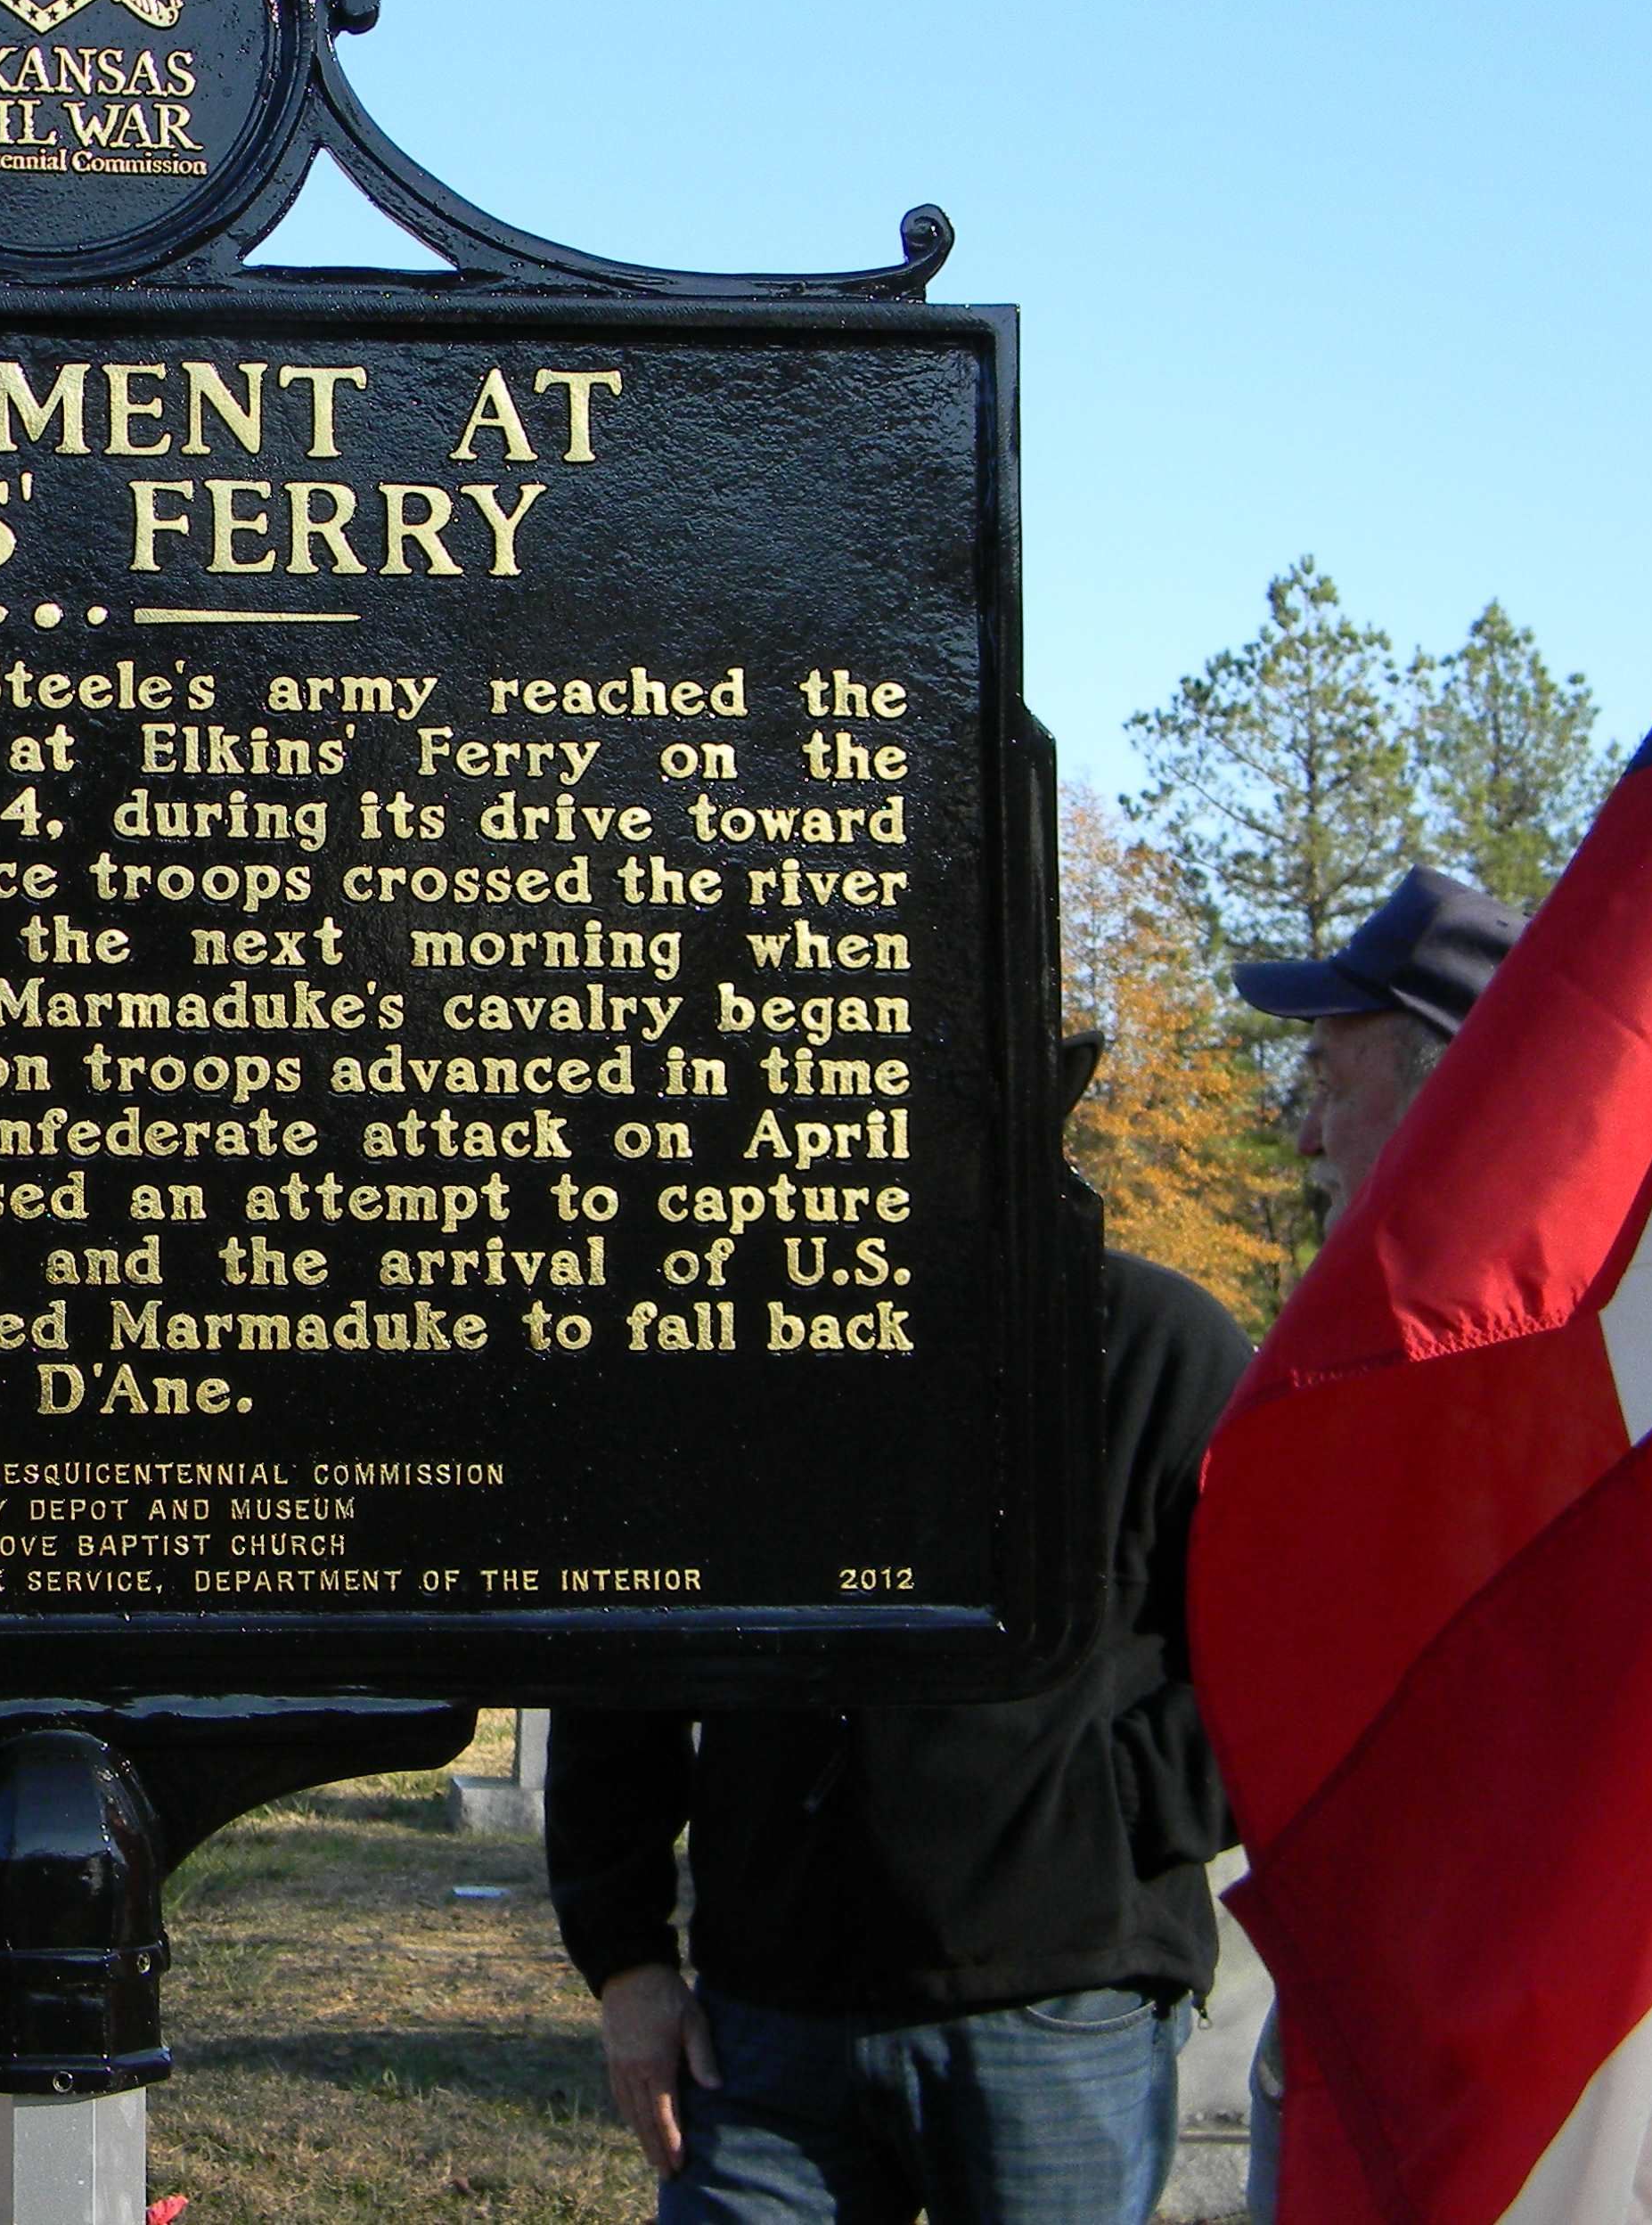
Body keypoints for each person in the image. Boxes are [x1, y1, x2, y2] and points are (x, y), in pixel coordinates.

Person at [544, 1243, 1252, 2221]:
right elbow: (621, 1644)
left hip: (1062, 2006)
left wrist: (1098, 1821)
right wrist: (624, 1959)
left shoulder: (1156, 1341)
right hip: (766, 2021)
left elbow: (1285, 1646)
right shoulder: (718, 1330)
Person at [1226, 863, 1528, 2221]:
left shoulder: (1553, 1374)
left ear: (1441, 1090)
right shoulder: (1374, 1356)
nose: (1304, 1140)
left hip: (1503, 2033)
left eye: (1333, 1087)